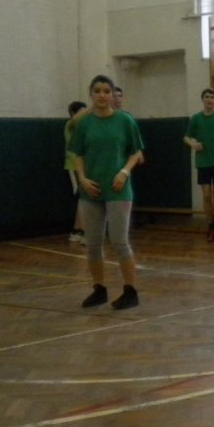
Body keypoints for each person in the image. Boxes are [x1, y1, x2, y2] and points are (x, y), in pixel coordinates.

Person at [70, 74, 144, 310]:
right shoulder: (85, 123)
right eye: (97, 91)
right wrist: (82, 179)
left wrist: (124, 171)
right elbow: (78, 154)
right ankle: (99, 289)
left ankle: (130, 291)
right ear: (91, 94)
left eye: (106, 91)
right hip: (91, 190)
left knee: (119, 241)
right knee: (93, 243)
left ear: (112, 95)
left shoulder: (125, 121)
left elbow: (136, 153)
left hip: (118, 190)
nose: (102, 95)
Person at [184, 88, 214, 242]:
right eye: (207, 97)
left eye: (212, 97)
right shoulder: (196, 118)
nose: (209, 99)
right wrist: (193, 144)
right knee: (206, 196)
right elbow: (186, 137)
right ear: (202, 99)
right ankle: (211, 227)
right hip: (203, 162)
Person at [65, 101, 87, 244]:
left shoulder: (83, 127)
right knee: (82, 199)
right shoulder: (70, 124)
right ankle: (84, 231)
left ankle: (76, 230)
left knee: (82, 199)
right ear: (74, 113)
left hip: (83, 167)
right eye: (81, 112)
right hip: (73, 166)